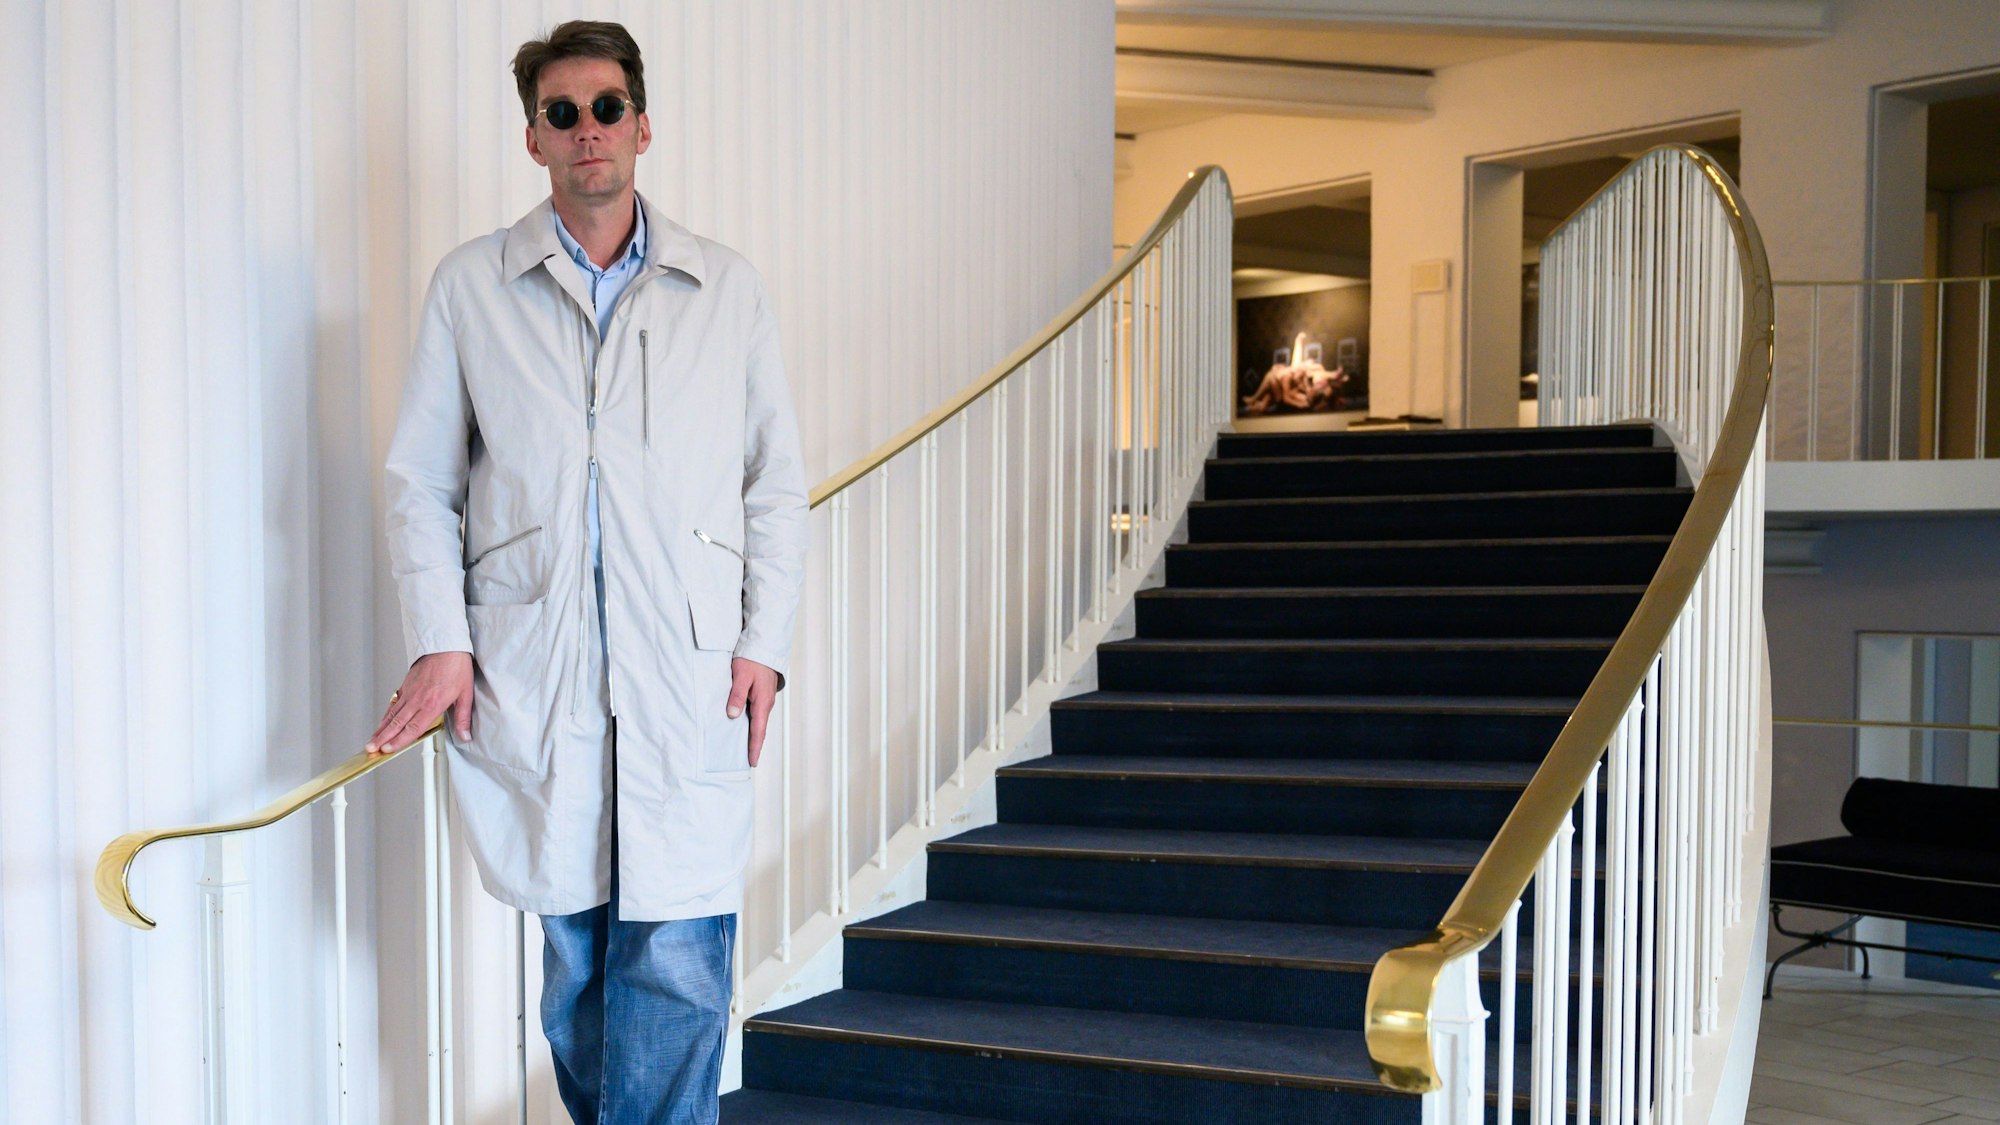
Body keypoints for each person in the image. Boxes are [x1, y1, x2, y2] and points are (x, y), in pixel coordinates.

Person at [365, 19, 809, 1123]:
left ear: (642, 125)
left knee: (677, 965)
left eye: (605, 107)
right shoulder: (473, 287)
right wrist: (442, 638)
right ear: (533, 140)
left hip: (687, 670)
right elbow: (420, 479)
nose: (586, 131)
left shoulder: (727, 289)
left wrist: (762, 645)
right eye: (560, 114)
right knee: (575, 981)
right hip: (536, 669)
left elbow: (776, 484)